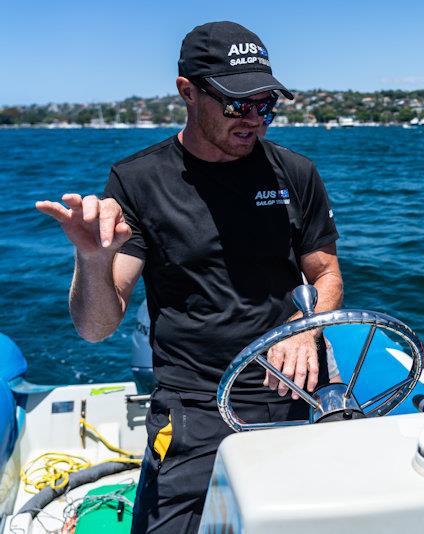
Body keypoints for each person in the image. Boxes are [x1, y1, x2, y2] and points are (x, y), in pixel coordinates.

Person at [35, 21, 343, 533]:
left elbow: (326, 272)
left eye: (265, 105)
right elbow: (95, 327)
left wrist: (304, 327)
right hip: (196, 404)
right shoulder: (137, 181)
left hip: (296, 389)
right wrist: (91, 259)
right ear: (187, 92)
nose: (254, 121)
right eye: (236, 104)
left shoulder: (296, 173)